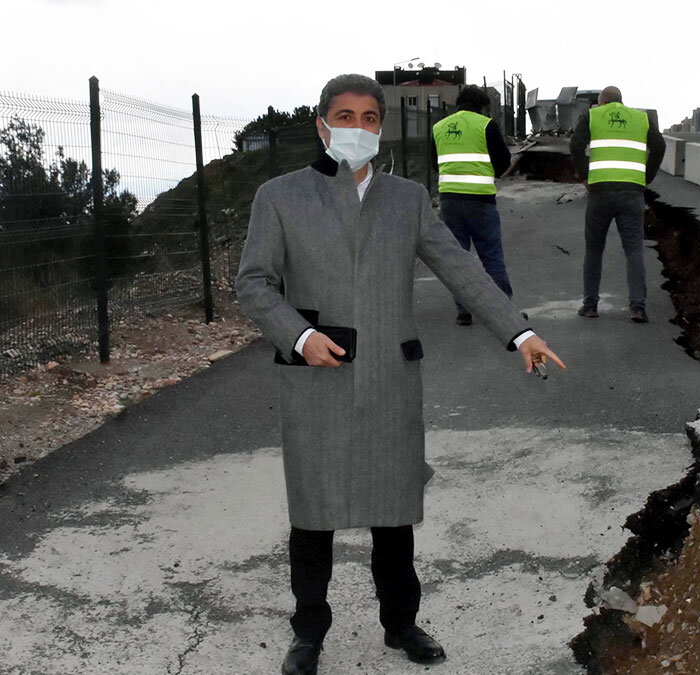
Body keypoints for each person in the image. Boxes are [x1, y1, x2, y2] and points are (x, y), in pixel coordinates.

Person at [235, 74, 565, 675]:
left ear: (379, 127)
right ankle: (308, 632)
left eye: (367, 117)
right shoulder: (279, 197)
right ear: (321, 124)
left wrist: (520, 332)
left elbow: (461, 269)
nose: (355, 127)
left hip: (390, 376)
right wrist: (300, 336)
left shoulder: (407, 200)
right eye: (344, 115)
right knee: (314, 513)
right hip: (315, 379)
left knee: (393, 512)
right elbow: (253, 283)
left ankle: (401, 624)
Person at [569, 85, 666, 323]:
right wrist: (646, 177)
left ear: (602, 102)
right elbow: (660, 146)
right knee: (633, 249)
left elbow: (575, 145)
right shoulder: (640, 118)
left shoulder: (593, 115)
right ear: (621, 101)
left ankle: (590, 305)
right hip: (632, 192)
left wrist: (585, 176)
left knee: (594, 249)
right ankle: (637, 307)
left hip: (600, 191)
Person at [432, 85, 513, 327]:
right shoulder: (486, 125)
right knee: (491, 255)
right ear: (481, 106)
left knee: (458, 258)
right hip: (480, 201)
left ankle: (463, 311)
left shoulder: (439, 127)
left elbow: (436, 164)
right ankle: (503, 310)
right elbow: (503, 161)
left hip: (450, 201)